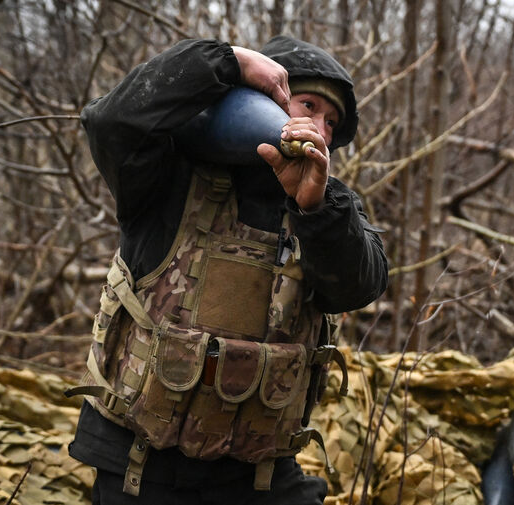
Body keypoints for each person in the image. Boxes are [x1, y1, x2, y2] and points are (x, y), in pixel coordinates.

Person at [66, 35, 388, 505]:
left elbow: (360, 284)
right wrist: (228, 63)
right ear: (265, 97)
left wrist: (316, 210)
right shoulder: (168, 177)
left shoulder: (326, 208)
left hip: (260, 477)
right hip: (144, 468)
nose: (319, 126)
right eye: (308, 105)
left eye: (331, 121)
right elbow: (112, 120)